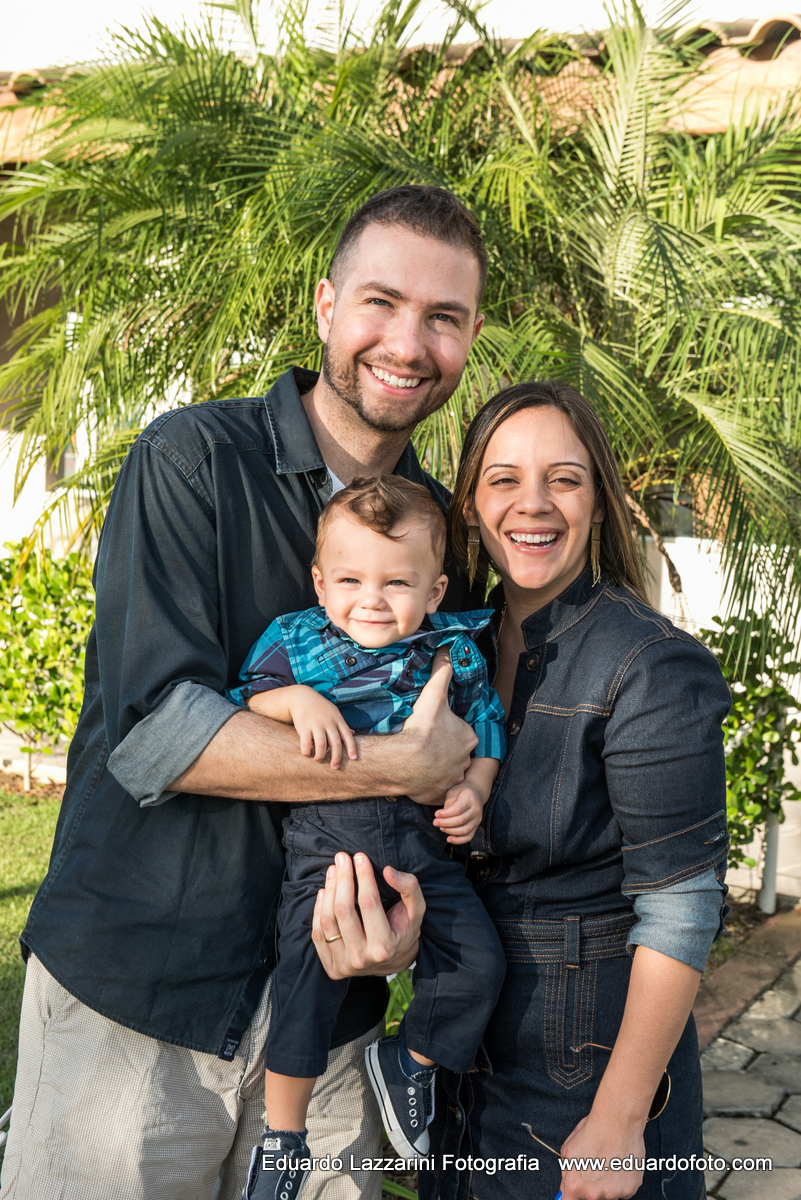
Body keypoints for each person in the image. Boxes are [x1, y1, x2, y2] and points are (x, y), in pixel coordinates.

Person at [0, 185, 488, 1200]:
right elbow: (153, 735)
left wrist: (405, 930)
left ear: (472, 336)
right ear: (324, 306)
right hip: (142, 999)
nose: (409, 341)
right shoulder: (194, 462)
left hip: (332, 1019)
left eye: (444, 317)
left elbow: (457, 738)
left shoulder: (440, 528)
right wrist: (403, 762)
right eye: (381, 302)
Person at [314, 381, 731, 1200]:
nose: (531, 504)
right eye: (503, 479)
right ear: (468, 502)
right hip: (469, 1057)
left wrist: (619, 1117)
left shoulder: (648, 663)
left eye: (563, 479)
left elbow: (682, 909)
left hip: (584, 1075)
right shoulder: (444, 639)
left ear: (600, 501)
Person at [225, 475, 506, 1199]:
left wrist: (474, 791)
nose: (371, 599)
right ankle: (283, 1142)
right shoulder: (297, 642)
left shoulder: (453, 654)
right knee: (304, 993)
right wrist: (296, 700)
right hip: (325, 852)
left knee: (478, 962)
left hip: (422, 851)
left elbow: (489, 732)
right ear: (320, 583)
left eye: (396, 582)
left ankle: (410, 1060)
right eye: (349, 579)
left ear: (435, 589)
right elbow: (242, 697)